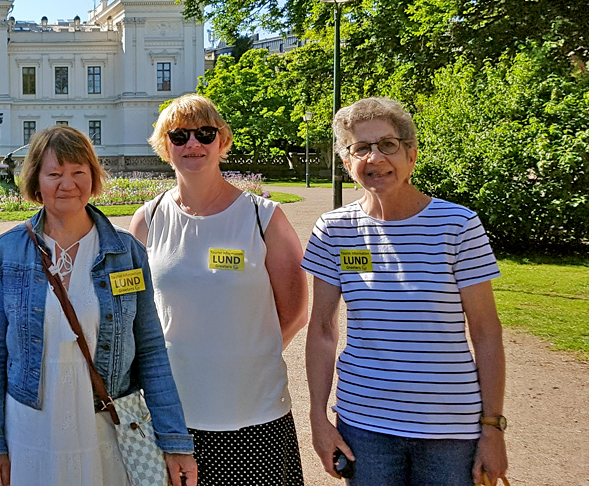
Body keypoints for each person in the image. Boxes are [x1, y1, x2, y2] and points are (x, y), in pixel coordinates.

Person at [0, 125, 198, 486]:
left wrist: (175, 441)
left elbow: (152, 350)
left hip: (104, 423)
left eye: (78, 172)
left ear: (93, 177)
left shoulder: (125, 253)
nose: (67, 184)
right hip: (30, 422)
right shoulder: (8, 251)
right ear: (35, 181)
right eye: (54, 173)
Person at [304, 97, 508, 486]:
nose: (374, 157)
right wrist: (318, 419)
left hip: (450, 428)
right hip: (364, 425)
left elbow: (485, 331)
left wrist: (493, 427)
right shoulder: (334, 230)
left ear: (411, 155)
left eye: (387, 145)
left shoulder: (458, 226)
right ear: (347, 164)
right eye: (360, 148)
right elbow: (323, 329)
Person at [129, 93, 310, 486]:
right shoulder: (148, 219)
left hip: (253, 410)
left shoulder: (263, 218)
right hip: (174, 412)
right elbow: (137, 316)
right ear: (165, 147)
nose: (192, 144)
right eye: (179, 136)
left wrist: (247, 355)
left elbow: (295, 312)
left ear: (222, 142)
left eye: (205, 133)